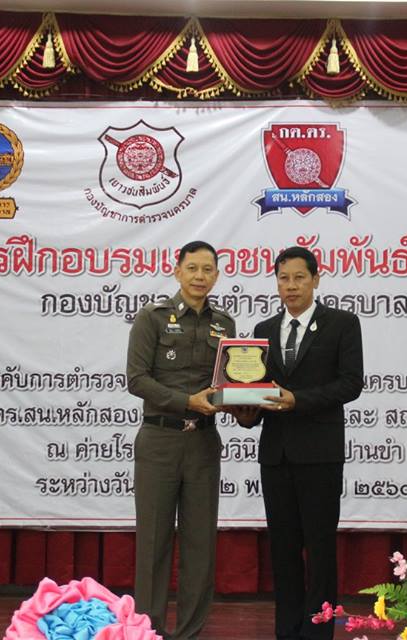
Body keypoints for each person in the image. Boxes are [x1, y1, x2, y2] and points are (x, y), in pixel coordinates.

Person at [232, 246, 364, 640]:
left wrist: (298, 400)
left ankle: (318, 632)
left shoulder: (342, 323)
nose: (291, 286)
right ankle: (287, 630)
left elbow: (351, 384)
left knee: (320, 549)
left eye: (299, 278)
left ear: (315, 279)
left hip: (320, 455)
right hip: (276, 455)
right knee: (283, 550)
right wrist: (245, 412)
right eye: (284, 278)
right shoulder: (263, 330)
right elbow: (258, 390)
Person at [126, 240, 236, 640]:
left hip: (203, 443)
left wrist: (243, 400)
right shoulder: (152, 318)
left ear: (217, 276)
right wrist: (186, 401)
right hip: (160, 440)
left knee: (200, 546)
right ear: (177, 272)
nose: (200, 277)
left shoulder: (225, 325)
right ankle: (149, 631)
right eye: (192, 268)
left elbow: (230, 382)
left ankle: (190, 633)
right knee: (153, 544)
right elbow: (137, 380)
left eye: (207, 270)